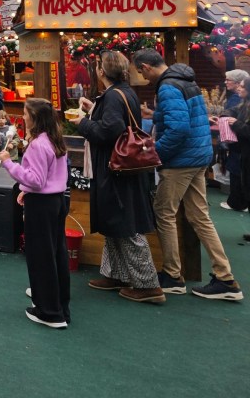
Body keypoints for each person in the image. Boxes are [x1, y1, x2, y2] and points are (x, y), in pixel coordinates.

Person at [133, 48, 243, 301]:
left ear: (147, 67)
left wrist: (154, 154)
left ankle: (172, 275)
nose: (143, 78)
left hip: (179, 161)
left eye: (141, 72)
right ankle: (225, 277)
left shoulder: (168, 88)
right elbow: (189, 118)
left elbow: (178, 130)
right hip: (198, 156)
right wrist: (156, 114)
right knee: (200, 216)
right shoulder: (185, 81)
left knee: (164, 212)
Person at [76, 51, 161, 302]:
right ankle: (115, 274)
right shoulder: (123, 92)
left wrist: (83, 122)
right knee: (115, 222)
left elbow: (108, 131)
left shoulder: (113, 95)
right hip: (122, 168)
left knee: (126, 224)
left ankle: (147, 285)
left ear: (102, 71)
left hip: (116, 169)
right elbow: (117, 122)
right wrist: (95, 109)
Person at [0, 98, 70, 328]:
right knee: (56, 253)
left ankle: (49, 312)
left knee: (40, 256)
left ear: (35, 118)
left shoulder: (39, 144)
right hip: (55, 200)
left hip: (42, 204)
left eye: (26, 114)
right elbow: (49, 176)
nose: (24, 117)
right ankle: (59, 304)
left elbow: (37, 179)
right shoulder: (55, 139)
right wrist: (26, 190)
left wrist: (10, 164)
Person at [223, 76, 250, 213]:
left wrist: (237, 124)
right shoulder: (244, 104)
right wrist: (225, 115)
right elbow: (232, 110)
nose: (239, 88)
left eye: (243, 86)